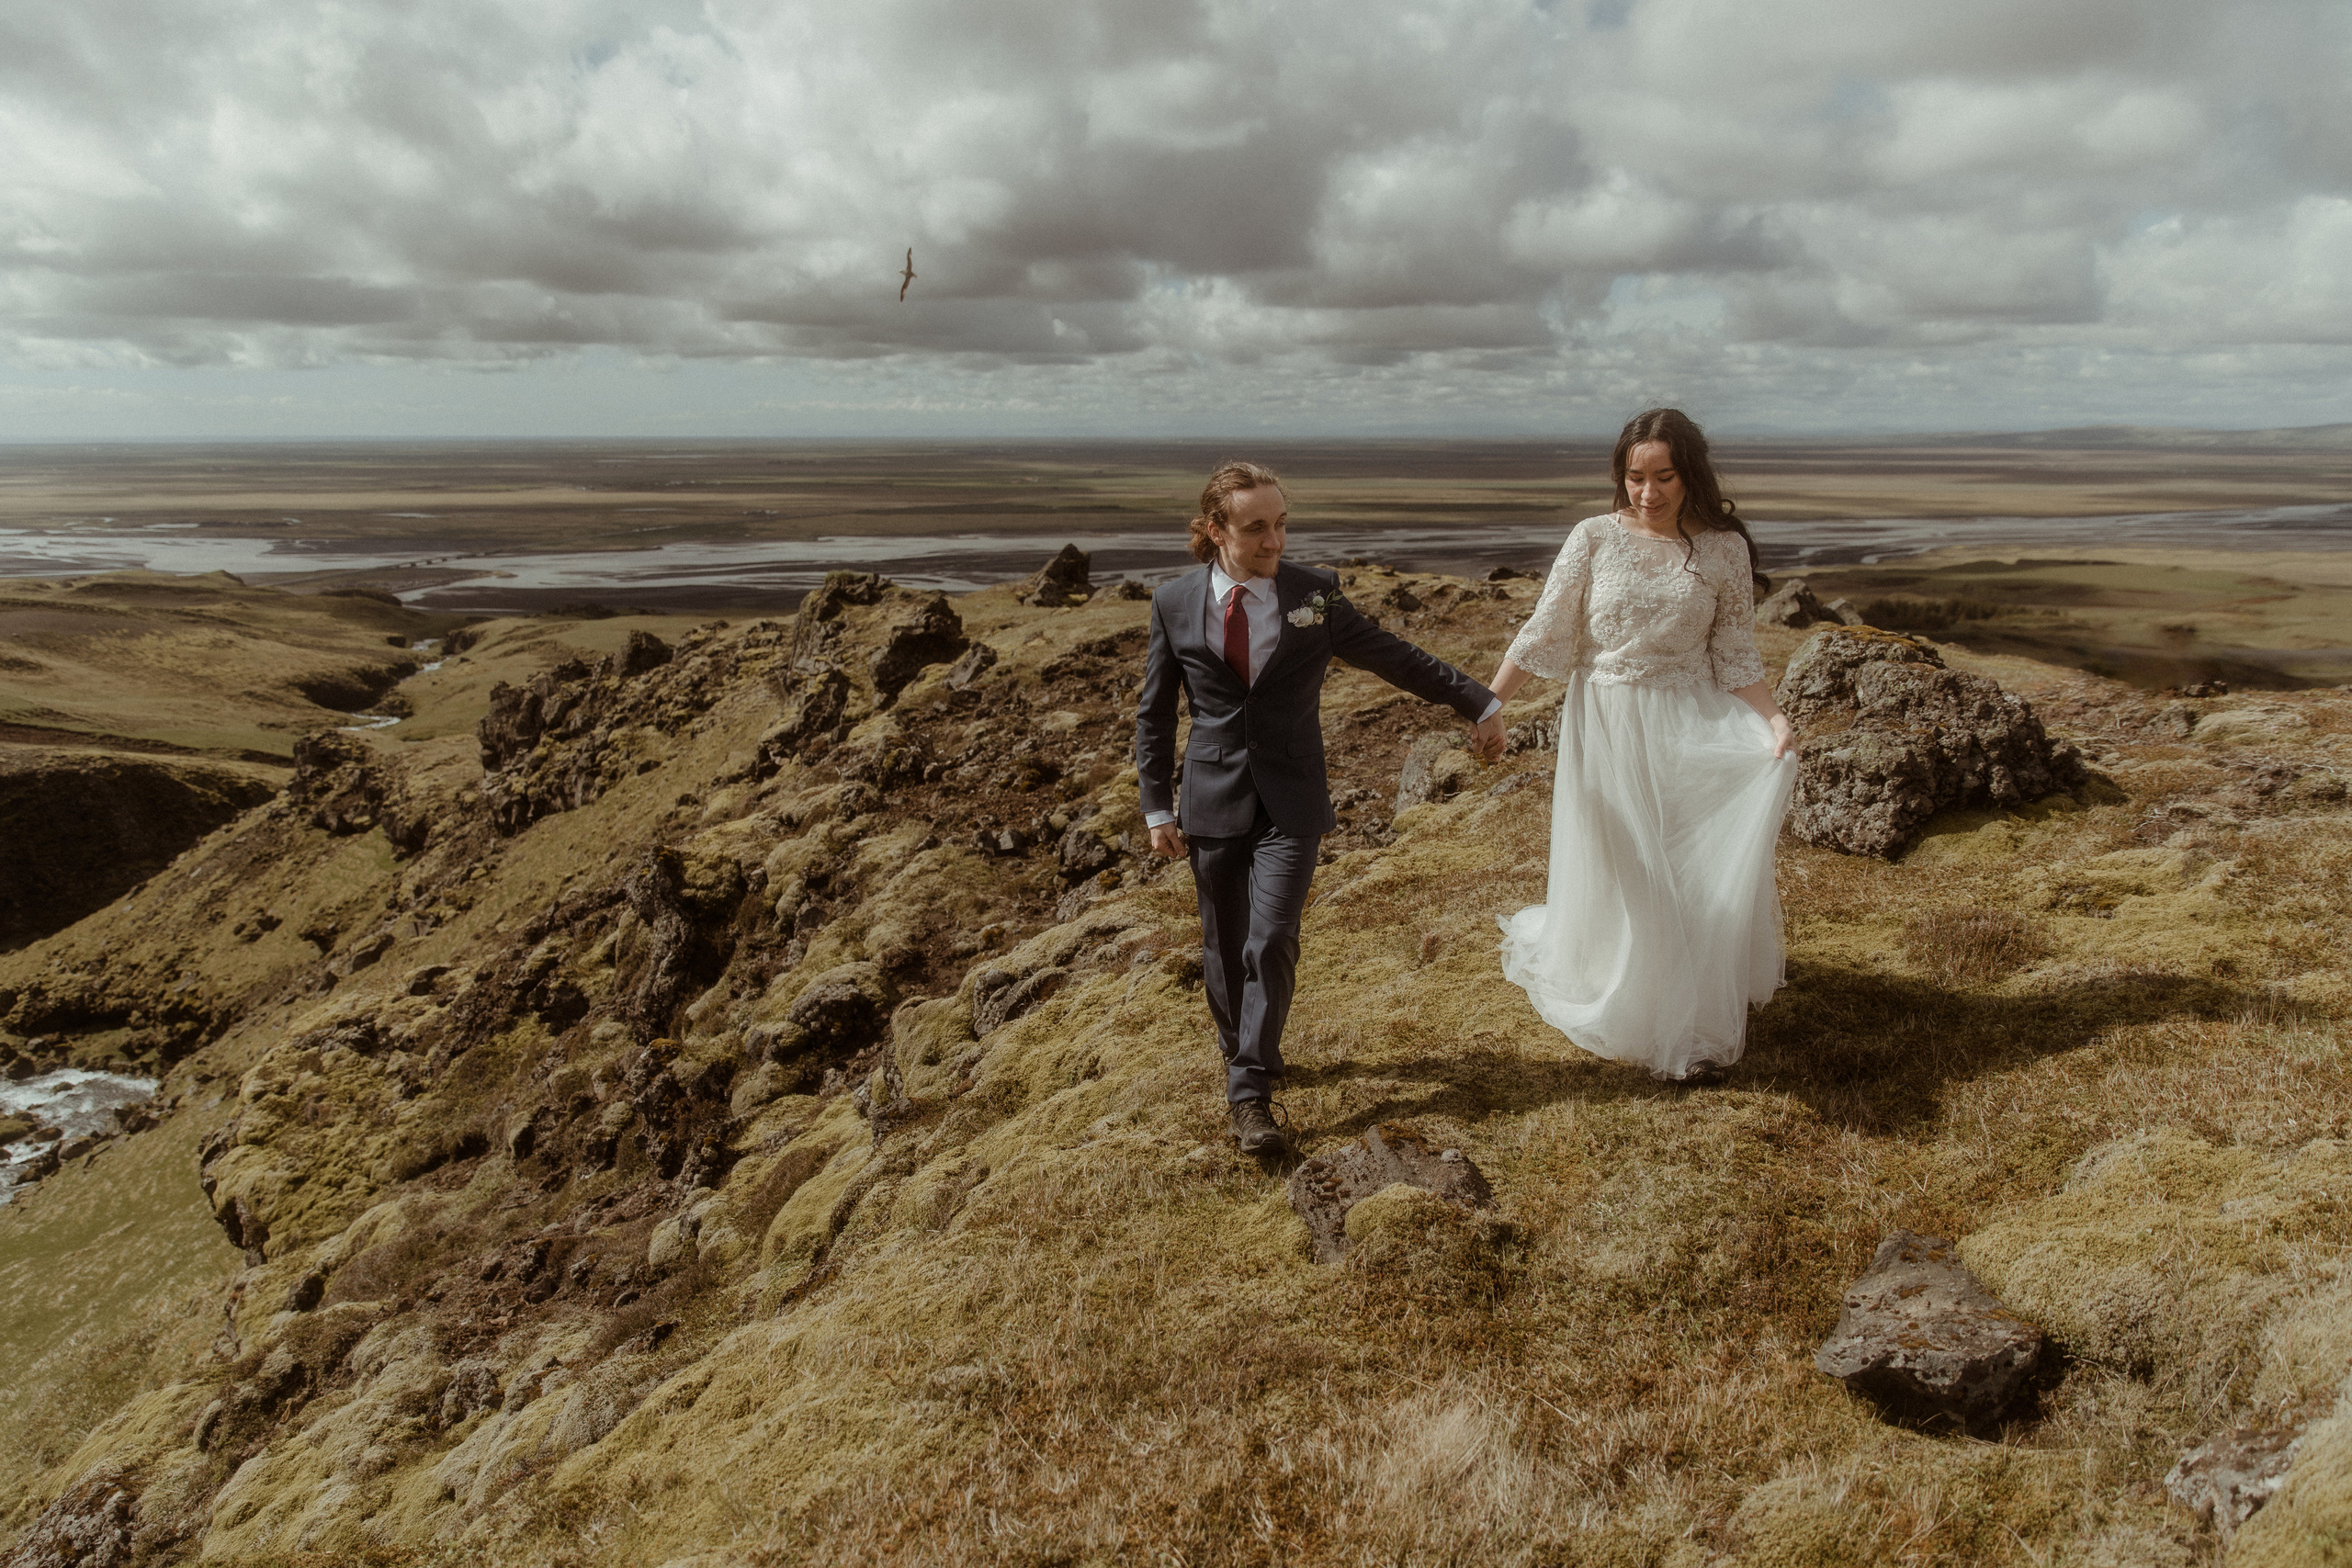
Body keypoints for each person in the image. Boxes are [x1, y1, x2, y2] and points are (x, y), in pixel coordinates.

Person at [1136, 461, 1506, 1155]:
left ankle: (1249, 1094)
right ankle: (1244, 1049)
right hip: (1211, 798)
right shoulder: (1173, 602)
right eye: (1256, 528)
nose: (1275, 540)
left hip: (1293, 797)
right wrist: (1157, 806)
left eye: (1281, 524)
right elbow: (1154, 714)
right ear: (1216, 530)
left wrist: (1476, 699)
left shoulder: (1315, 595)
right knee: (1222, 950)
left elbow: (1393, 656)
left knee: (1270, 939)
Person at [1483, 409, 1797, 1083]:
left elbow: (1735, 652)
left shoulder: (1723, 550)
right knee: (1628, 861)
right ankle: (1631, 992)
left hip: (1690, 721)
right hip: (1606, 719)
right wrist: (1491, 703)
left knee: (1683, 864)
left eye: (1663, 477)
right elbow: (1546, 629)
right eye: (1634, 477)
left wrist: (1772, 720)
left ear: (1691, 476)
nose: (1647, 493)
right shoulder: (1594, 537)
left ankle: (1688, 1006)